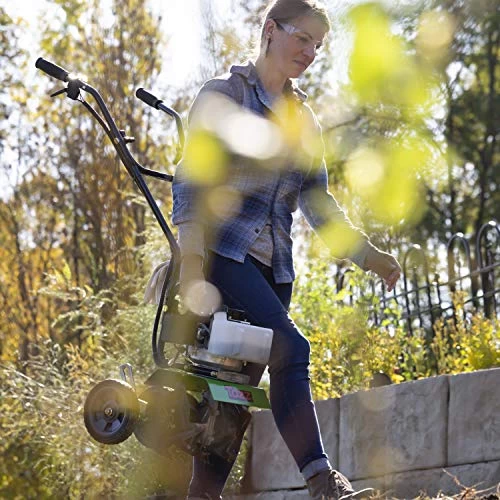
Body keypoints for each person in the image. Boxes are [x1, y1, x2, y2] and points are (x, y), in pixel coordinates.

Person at [172, 0, 401, 498]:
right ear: (271, 30)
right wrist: (190, 266)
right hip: (224, 258)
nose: (311, 53)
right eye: (303, 39)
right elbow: (190, 182)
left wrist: (367, 255)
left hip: (274, 271)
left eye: (318, 46)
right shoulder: (225, 95)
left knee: (232, 399)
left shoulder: (304, 120)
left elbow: (318, 203)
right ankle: (323, 481)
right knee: (292, 348)